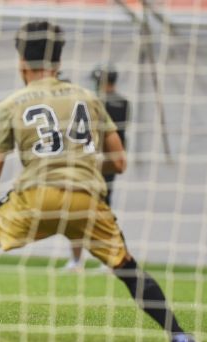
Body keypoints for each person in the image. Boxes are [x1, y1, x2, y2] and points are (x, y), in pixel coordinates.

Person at [0, 21, 201, 342]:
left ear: (21, 62)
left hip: (36, 198)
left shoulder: (9, 105)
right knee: (126, 267)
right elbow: (119, 162)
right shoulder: (89, 99)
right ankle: (178, 334)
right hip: (87, 200)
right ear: (59, 63)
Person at [64, 64, 131, 271]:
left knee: (78, 210)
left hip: (92, 161)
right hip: (111, 161)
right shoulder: (124, 103)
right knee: (104, 210)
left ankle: (77, 261)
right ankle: (111, 258)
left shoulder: (95, 102)